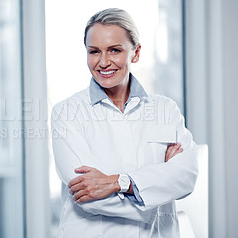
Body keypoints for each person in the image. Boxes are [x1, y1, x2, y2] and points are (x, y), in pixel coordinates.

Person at [51, 8, 198, 238]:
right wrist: (158, 186)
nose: (103, 62)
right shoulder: (67, 113)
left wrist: (118, 183)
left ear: (136, 53)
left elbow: (186, 176)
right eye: (94, 51)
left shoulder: (164, 109)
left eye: (115, 50)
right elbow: (86, 195)